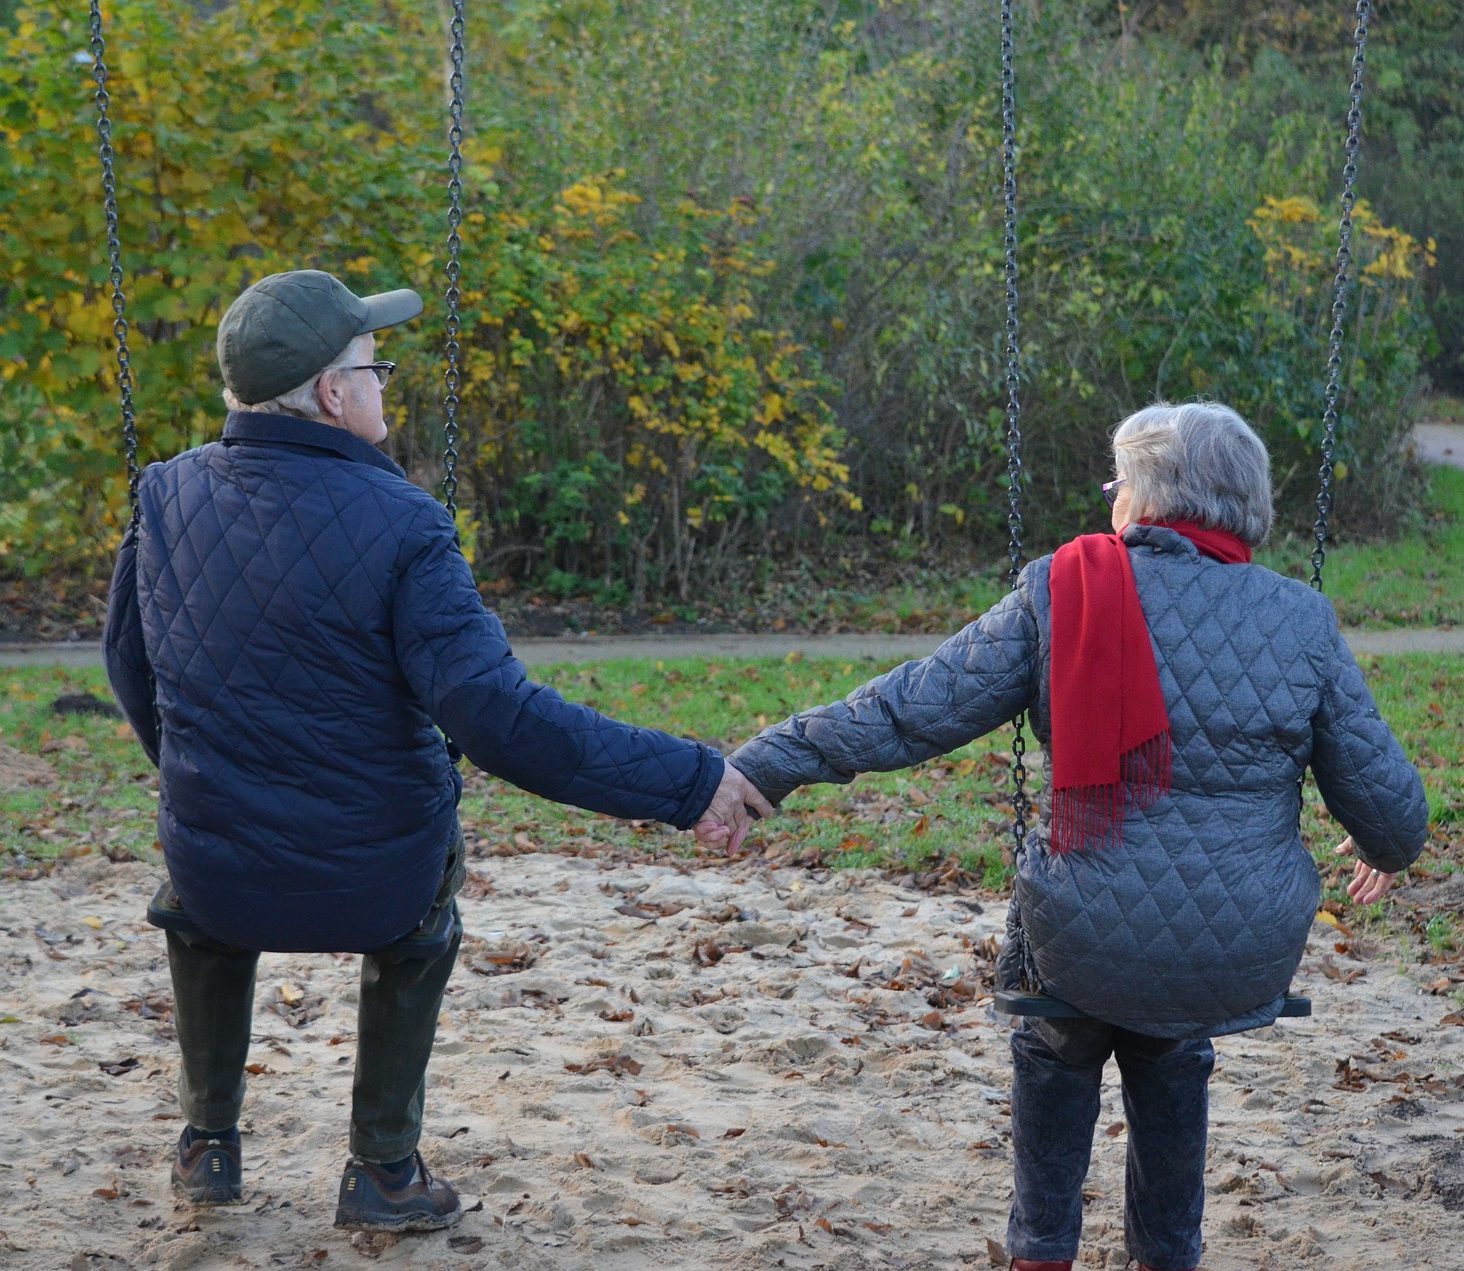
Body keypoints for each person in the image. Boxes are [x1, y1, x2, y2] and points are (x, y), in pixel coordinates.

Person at [104, 268, 770, 1233]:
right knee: (424, 914)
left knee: (199, 886)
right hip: (377, 875)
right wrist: (694, 779)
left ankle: (209, 1145)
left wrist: (199, 773)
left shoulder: (162, 494)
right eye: (376, 367)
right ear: (334, 395)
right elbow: (499, 720)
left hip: (216, 867)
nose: (386, 384)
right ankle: (381, 1169)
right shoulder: (406, 523)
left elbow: (129, 666)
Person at [710, 401, 1428, 1271]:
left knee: (1056, 1041)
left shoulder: (1063, 589)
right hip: (1236, 944)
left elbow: (912, 710)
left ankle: (1040, 1251)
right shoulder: (1302, 620)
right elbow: (1391, 809)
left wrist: (767, 766)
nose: (1111, 495)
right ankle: (1167, 1255)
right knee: (1172, 1049)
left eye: (1118, 480)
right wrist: (1384, 850)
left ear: (1152, 497)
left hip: (1082, 930)